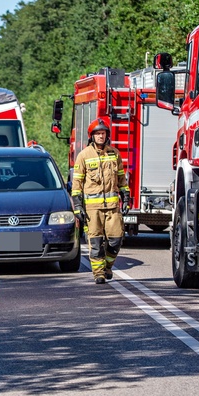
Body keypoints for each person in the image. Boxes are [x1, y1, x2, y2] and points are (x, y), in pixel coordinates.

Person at [71, 118, 130, 284]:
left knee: (116, 239)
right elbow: (77, 185)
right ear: (92, 136)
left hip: (112, 207)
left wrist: (126, 198)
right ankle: (99, 274)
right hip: (92, 209)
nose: (100, 136)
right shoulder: (83, 156)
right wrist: (77, 207)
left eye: (103, 133)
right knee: (96, 242)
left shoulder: (114, 154)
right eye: (97, 134)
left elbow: (121, 179)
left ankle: (108, 266)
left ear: (107, 135)